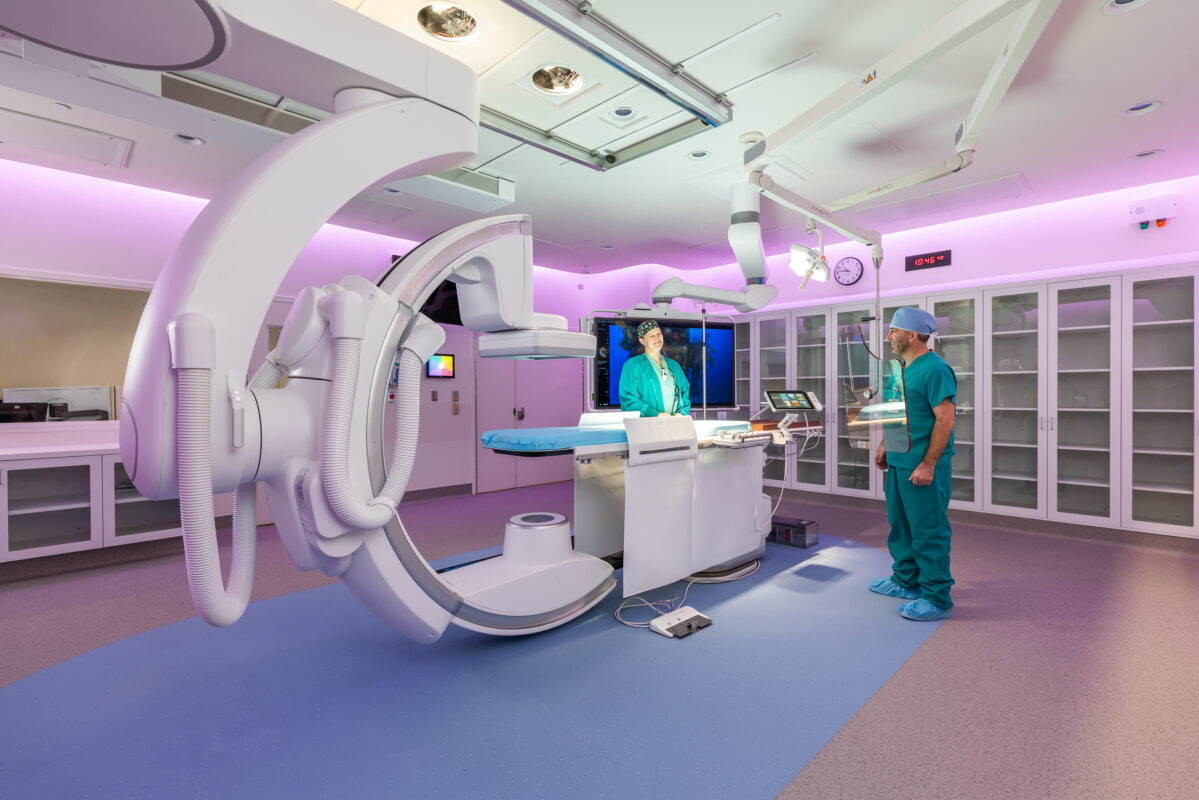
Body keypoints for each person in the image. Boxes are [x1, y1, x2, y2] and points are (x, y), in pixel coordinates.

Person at [869, 306, 956, 621]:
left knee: (927, 531)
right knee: (900, 526)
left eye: (894, 330)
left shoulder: (935, 369)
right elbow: (898, 411)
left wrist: (928, 464)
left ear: (913, 335)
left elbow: (945, 420)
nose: (888, 336)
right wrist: (885, 444)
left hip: (922, 465)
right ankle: (906, 580)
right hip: (899, 460)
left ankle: (936, 597)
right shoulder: (900, 368)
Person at [618, 320, 691, 417]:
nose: (657, 338)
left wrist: (681, 414)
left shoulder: (674, 366)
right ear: (642, 341)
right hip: (647, 423)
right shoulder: (632, 366)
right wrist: (656, 414)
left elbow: (684, 393)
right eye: (651, 335)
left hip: (674, 422)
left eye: (659, 333)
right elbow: (628, 399)